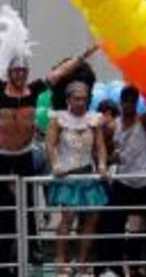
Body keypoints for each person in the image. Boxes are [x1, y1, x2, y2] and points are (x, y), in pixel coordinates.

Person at [0, 5, 96, 269]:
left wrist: (84, 55)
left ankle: (33, 246)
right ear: (9, 72)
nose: (20, 75)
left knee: (28, 201)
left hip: (23, 153)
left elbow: (60, 73)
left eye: (24, 71)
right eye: (16, 71)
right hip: (0, 154)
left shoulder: (35, 90)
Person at [46, 81, 109, 277]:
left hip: (88, 173)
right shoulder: (58, 119)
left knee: (91, 219)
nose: (81, 102)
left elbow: (100, 146)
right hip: (67, 174)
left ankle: (82, 263)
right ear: (68, 100)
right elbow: (50, 145)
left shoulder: (94, 120)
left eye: (84, 99)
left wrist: (102, 166)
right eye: (77, 98)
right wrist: (56, 165)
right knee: (67, 219)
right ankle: (61, 263)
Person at [97, 86, 146, 277]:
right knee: (112, 223)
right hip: (123, 183)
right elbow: (101, 152)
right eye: (126, 102)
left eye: (132, 102)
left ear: (136, 103)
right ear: (121, 103)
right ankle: (112, 269)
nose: (129, 106)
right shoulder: (112, 126)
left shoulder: (144, 121)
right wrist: (109, 160)